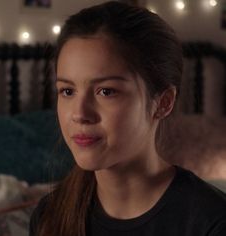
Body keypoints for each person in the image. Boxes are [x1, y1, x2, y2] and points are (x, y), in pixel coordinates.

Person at [29, 1, 226, 235]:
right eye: (67, 91)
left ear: (163, 103)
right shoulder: (49, 216)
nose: (80, 114)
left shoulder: (212, 221)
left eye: (106, 91)